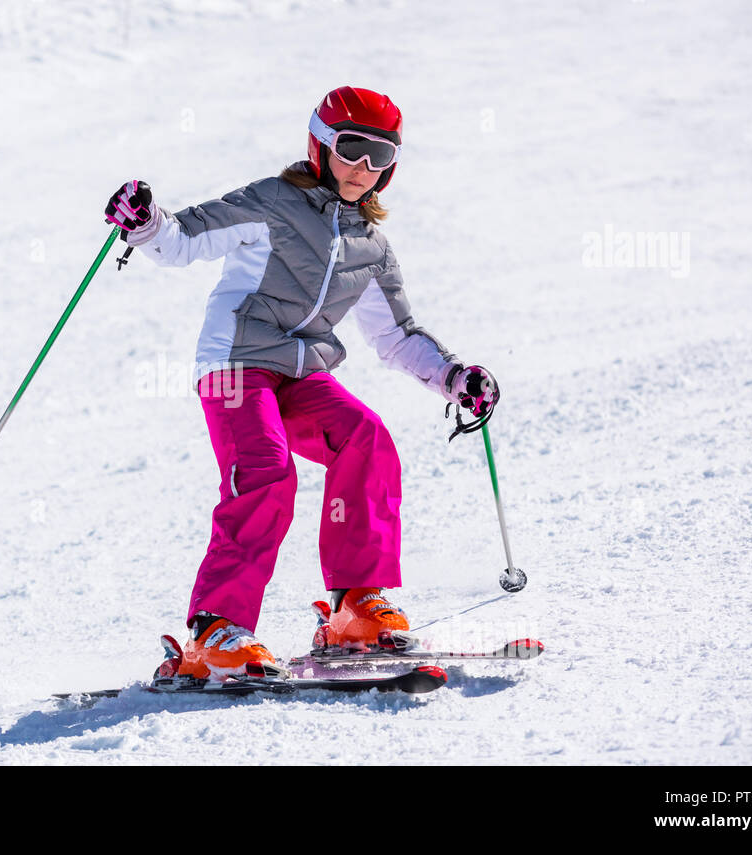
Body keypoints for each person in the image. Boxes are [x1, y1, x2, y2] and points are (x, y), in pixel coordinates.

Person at [104, 86, 498, 683]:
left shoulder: (370, 247)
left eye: (381, 157)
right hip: (237, 362)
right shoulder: (272, 203)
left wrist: (452, 377)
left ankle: (354, 606)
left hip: (301, 371)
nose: (363, 169)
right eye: (352, 149)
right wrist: (145, 224)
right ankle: (216, 628)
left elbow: (395, 336)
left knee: (364, 437)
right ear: (320, 144)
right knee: (266, 466)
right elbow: (184, 239)